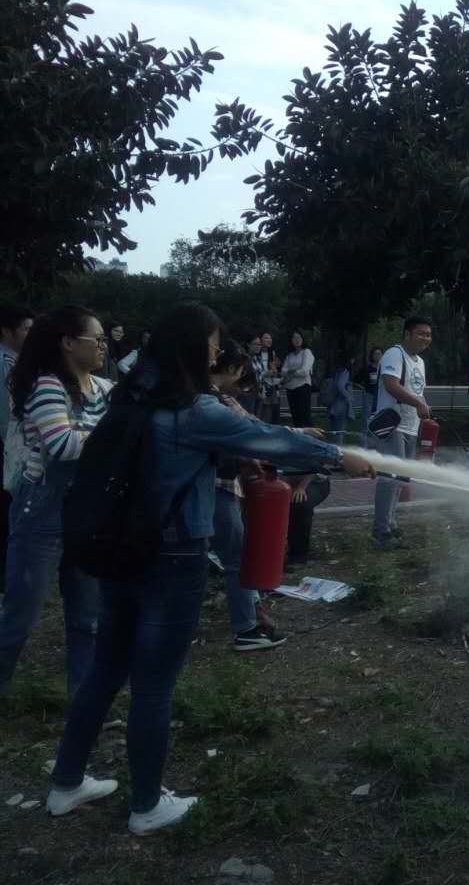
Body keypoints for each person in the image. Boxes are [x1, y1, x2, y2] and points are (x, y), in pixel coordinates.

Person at [45, 302, 374, 834]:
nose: (218, 356)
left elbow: (237, 438)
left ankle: (65, 783)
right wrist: (338, 456)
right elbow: (271, 439)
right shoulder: (193, 410)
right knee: (153, 684)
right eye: (215, 348)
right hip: (173, 556)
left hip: (121, 550)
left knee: (107, 668)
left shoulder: (131, 396)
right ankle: (147, 806)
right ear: (195, 350)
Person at [0, 306, 110, 696]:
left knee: (87, 618)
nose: (103, 345)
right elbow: (62, 445)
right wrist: (112, 437)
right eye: (97, 338)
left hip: (86, 510)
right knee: (20, 616)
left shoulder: (103, 388)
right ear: (67, 343)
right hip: (43, 510)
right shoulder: (48, 385)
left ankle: (83, 703)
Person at [209, 343, 285, 652]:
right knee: (237, 558)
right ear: (230, 369)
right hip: (217, 488)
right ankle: (247, 629)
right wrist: (302, 438)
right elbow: (255, 434)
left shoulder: (210, 398)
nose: (241, 388)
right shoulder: (215, 403)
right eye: (240, 377)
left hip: (220, 486)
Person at [371, 318, 432, 551]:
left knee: (400, 480)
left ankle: (390, 523)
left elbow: (417, 391)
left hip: (410, 426)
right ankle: (381, 532)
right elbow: (391, 384)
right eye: (421, 333)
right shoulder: (394, 354)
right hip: (392, 426)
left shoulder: (420, 362)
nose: (426, 338)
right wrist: (418, 403)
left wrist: (423, 407)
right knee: (390, 478)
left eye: (428, 334)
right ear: (407, 334)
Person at [0, 304, 35, 595]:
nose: (31, 334)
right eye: (26, 329)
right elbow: (6, 417)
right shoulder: (5, 364)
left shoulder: (18, 362)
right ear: (7, 331)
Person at [281, 330, 315, 428]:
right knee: (295, 418)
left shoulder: (307, 352)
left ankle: (310, 436)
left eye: (299, 337)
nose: (296, 340)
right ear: (291, 340)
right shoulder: (289, 355)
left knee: (305, 417)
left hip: (303, 387)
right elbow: (283, 371)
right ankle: (298, 436)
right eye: (294, 337)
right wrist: (294, 371)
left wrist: (291, 372)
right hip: (290, 389)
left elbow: (305, 371)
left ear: (302, 339)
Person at [360, 346, 383, 447]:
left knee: (378, 421)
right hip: (369, 396)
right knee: (366, 421)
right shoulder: (368, 369)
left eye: (379, 354)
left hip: (380, 397)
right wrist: (364, 388)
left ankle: (376, 446)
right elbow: (355, 380)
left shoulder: (384, 369)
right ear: (372, 356)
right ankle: (364, 446)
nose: (378, 356)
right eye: (375, 354)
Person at [327, 358, 355, 440]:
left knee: (333, 430)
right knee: (340, 430)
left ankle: (332, 446)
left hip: (333, 403)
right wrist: (349, 397)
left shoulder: (336, 372)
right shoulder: (345, 372)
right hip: (341, 403)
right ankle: (338, 447)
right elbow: (340, 385)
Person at [257, 332, 282, 424]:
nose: (269, 340)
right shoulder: (257, 354)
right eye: (266, 338)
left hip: (271, 386)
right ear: (260, 340)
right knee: (259, 412)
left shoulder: (272, 354)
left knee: (269, 413)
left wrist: (275, 371)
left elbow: (275, 371)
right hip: (260, 386)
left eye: (270, 338)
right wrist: (265, 374)